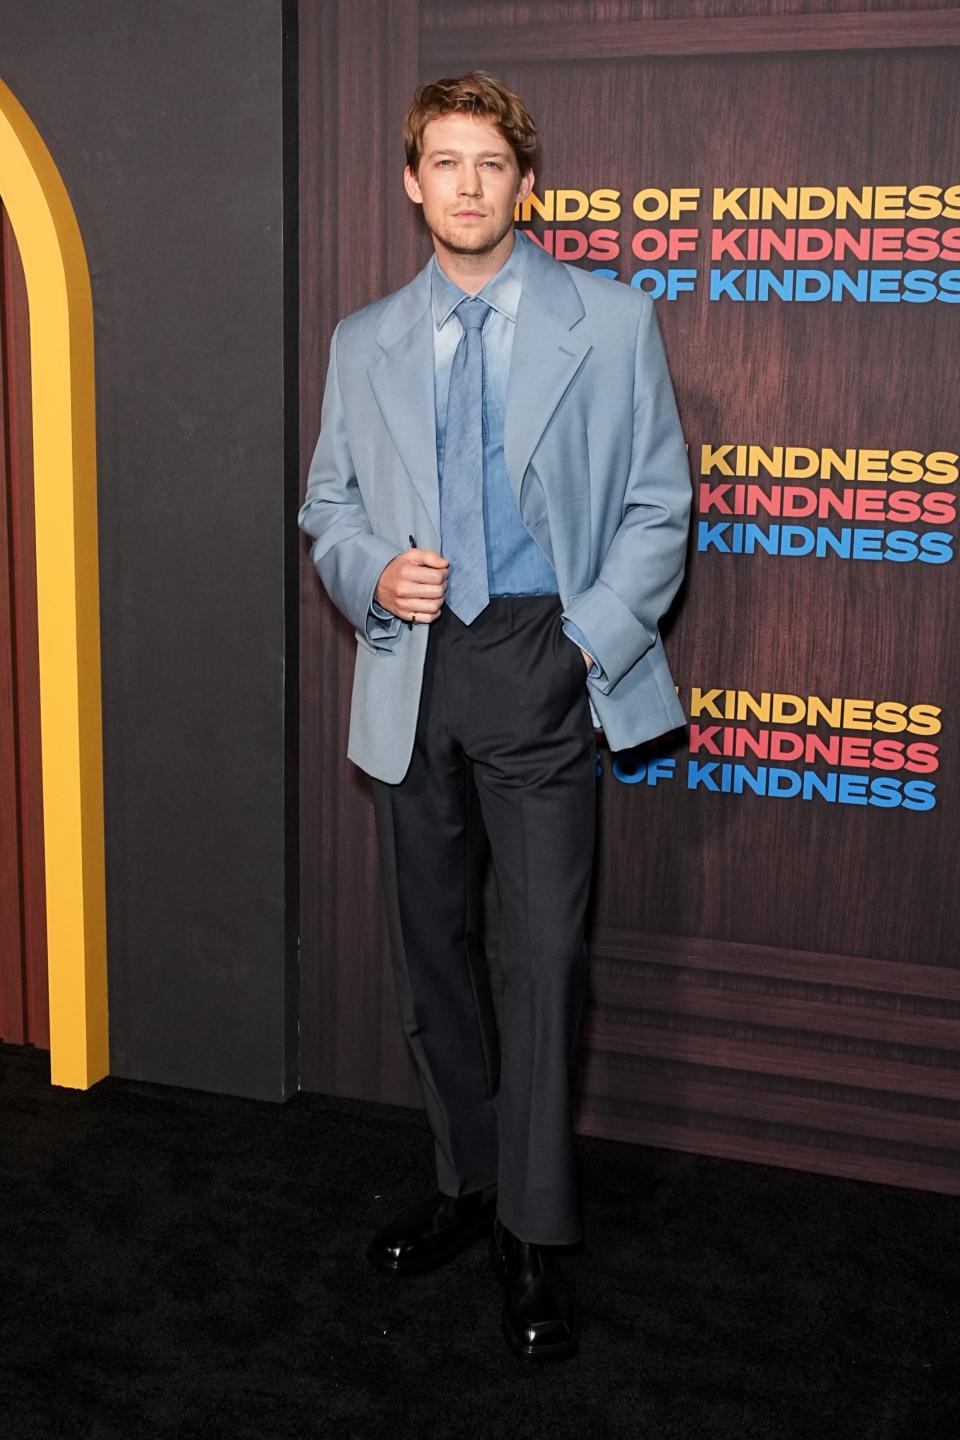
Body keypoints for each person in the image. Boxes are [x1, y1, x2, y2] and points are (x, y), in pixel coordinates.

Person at [299, 71, 690, 1363]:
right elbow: (330, 510)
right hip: (413, 664)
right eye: (443, 163)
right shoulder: (364, 341)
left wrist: (588, 636)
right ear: (411, 183)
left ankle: (533, 1229)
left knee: (543, 961)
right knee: (434, 957)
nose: (467, 186)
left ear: (526, 183)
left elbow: (655, 504)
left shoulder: (613, 321)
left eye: (490, 164)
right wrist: (369, 575)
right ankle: (464, 1184)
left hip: (542, 656)